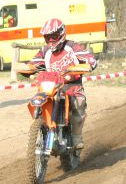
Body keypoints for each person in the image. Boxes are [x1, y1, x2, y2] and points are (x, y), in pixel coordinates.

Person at [26, 18, 96, 150]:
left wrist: (89, 63)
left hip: (72, 85)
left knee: (79, 103)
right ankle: (41, 127)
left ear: (62, 34)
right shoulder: (45, 50)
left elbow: (89, 58)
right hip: (51, 86)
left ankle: (76, 136)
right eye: (48, 37)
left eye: (54, 36)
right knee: (39, 101)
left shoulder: (72, 47)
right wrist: (27, 68)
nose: (51, 40)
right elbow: (33, 62)